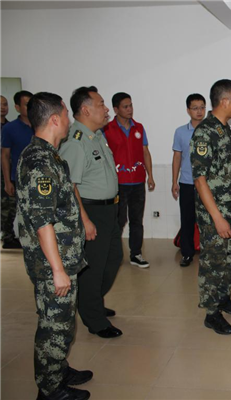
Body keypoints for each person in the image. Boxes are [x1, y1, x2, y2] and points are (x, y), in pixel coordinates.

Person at [17, 92, 92, 400]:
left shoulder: (49, 155)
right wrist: (58, 270)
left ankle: (58, 369)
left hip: (61, 257)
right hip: (52, 264)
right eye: (66, 113)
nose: (69, 119)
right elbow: (42, 221)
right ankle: (50, 389)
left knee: (62, 322)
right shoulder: (39, 162)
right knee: (54, 325)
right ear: (54, 120)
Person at [59, 86, 123, 339]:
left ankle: (90, 300)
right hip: (91, 211)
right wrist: (84, 220)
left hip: (109, 210)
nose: (106, 109)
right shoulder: (75, 142)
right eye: (101, 104)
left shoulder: (96, 136)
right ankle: (95, 319)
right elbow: (70, 185)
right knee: (93, 267)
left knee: (113, 259)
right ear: (85, 110)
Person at [190, 79, 231, 335]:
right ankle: (212, 312)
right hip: (213, 210)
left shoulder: (225, 129)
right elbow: (200, 179)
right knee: (214, 261)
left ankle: (222, 294)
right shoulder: (204, 133)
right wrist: (217, 218)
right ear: (225, 101)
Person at [104, 92, 155, 268]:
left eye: (131, 105)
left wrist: (150, 175)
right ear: (116, 109)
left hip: (138, 182)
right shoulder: (107, 130)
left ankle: (136, 254)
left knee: (136, 220)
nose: (129, 109)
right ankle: (114, 255)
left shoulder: (138, 128)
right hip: (118, 184)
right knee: (118, 221)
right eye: (125, 106)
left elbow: (145, 152)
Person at [172, 93, 206, 267]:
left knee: (207, 220)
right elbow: (177, 157)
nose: (199, 111)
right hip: (187, 182)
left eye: (202, 107)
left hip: (207, 184)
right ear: (188, 110)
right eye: (195, 108)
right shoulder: (180, 132)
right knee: (187, 219)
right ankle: (187, 253)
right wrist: (174, 181)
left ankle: (209, 253)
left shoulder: (211, 131)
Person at [1, 90, 34, 249]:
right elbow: (5, 155)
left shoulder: (40, 125)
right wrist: (7, 181)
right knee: (17, 212)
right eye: (27, 104)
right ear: (17, 107)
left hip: (39, 178)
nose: (31, 107)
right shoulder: (10, 128)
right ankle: (13, 239)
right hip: (19, 177)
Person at [1, 94, 15, 249]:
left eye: (5, 104)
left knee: (10, 206)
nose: (3, 107)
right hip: (3, 174)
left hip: (9, 172)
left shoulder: (10, 126)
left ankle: (9, 236)